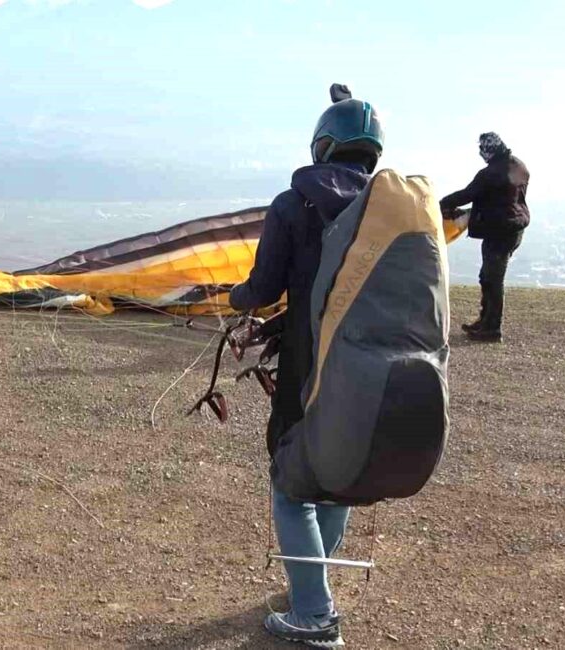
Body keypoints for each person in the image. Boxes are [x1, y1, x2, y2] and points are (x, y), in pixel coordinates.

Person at [229, 85, 383, 648]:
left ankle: (315, 614)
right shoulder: (387, 208)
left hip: (309, 365)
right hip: (373, 366)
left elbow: (265, 286)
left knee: (292, 482)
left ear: (322, 146)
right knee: (338, 477)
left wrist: (236, 298)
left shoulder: (295, 203)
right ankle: (310, 586)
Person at [440, 132, 530, 343]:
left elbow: (468, 194)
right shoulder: (518, 165)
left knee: (492, 278)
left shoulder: (489, 174)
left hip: (500, 230)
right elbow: (502, 197)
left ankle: (491, 328)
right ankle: (486, 320)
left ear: (487, 151)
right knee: (488, 276)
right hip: (514, 228)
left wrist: (443, 204)